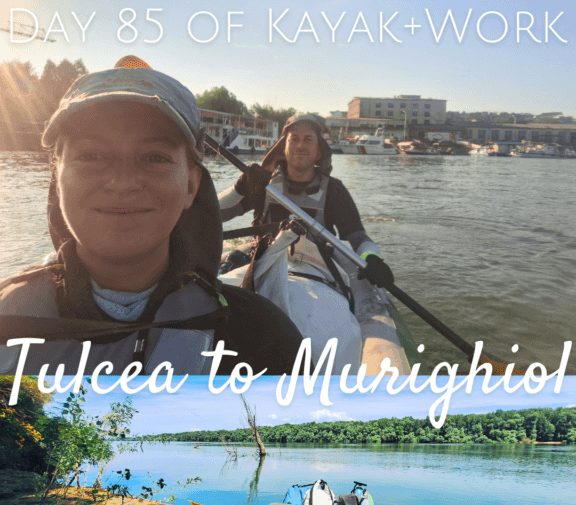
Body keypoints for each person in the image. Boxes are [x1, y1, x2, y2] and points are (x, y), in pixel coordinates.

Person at [0, 59, 303, 377]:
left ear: (191, 186)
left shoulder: (264, 341)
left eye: (154, 157)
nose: (121, 183)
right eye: (91, 155)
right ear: (57, 180)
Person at [218, 113, 393, 290]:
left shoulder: (334, 190)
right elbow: (217, 215)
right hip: (262, 255)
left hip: (317, 262)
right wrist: (238, 188)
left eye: (308, 139)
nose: (300, 145)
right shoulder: (263, 183)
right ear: (283, 149)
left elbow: (358, 237)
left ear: (319, 152)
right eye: (294, 139)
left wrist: (372, 257)